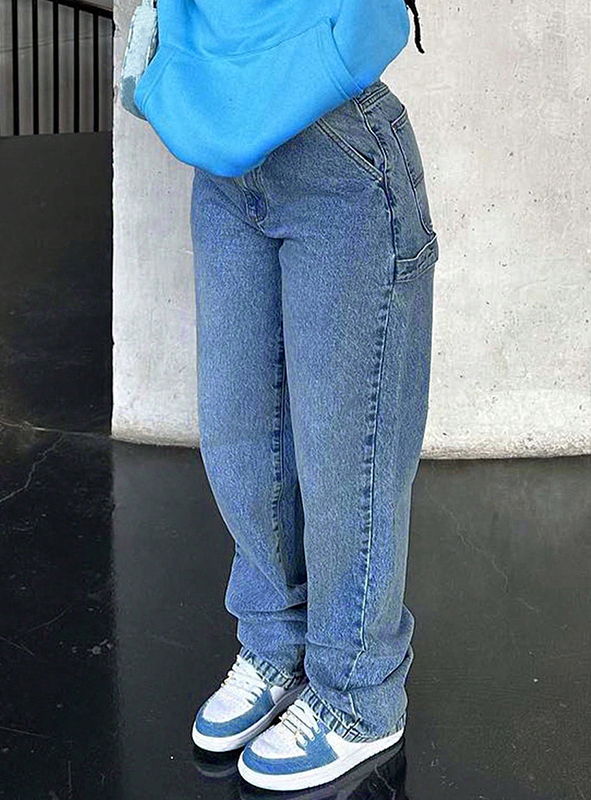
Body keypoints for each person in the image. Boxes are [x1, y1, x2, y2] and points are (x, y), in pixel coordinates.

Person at [185, 4, 437, 794]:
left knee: (346, 455)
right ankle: (275, 644)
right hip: (223, 140)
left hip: (338, 150)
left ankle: (358, 693)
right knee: (239, 434)